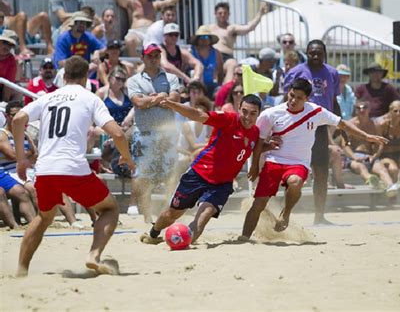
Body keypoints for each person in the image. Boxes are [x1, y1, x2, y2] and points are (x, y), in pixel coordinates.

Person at [12, 55, 135, 277]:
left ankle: (21, 269)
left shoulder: (48, 98)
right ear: (86, 78)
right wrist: (126, 157)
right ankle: (93, 256)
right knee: (110, 208)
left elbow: (18, 119)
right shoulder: (90, 98)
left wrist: (20, 159)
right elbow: (117, 133)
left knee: (43, 218)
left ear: (64, 76)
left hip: (46, 169)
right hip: (73, 168)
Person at [240, 79, 387, 239]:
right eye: (291, 95)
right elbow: (259, 142)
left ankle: (286, 213)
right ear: (288, 92)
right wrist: (254, 167)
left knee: (295, 182)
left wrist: (367, 136)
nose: (293, 100)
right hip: (273, 162)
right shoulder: (270, 114)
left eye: (299, 98)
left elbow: (342, 124)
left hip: (298, 163)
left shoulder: (316, 112)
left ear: (307, 99)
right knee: (258, 204)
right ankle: (244, 238)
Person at [140, 94, 269, 245]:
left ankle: (184, 241)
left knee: (205, 215)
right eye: (244, 111)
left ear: (258, 114)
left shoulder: (255, 133)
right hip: (198, 174)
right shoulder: (227, 119)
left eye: (253, 113)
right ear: (238, 109)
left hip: (222, 184)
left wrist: (263, 153)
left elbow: (253, 148)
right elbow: (198, 114)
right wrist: (171, 104)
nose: (248, 117)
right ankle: (154, 233)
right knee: (172, 214)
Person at [283, 39, 340, 224]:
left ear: (324, 53)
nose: (315, 56)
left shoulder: (332, 73)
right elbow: (286, 99)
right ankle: (286, 215)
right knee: (291, 173)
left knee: (321, 172)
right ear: (306, 53)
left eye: (319, 53)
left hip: (320, 128)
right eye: (312, 52)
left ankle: (319, 216)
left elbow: (334, 100)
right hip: (297, 127)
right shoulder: (295, 72)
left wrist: (340, 126)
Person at [127, 43, 180, 223]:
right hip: (145, 133)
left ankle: (165, 214)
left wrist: (150, 99)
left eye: (157, 55)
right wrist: (160, 97)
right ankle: (147, 216)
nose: (154, 59)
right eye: (150, 56)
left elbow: (174, 99)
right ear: (143, 57)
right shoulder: (134, 80)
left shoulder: (171, 77)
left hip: (166, 134)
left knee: (169, 175)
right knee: (144, 177)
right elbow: (138, 103)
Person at [209, 1, 268, 83]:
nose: (222, 15)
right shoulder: (209, 28)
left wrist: (260, 13)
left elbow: (249, 27)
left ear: (229, 14)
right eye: (220, 13)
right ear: (215, 14)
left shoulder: (232, 28)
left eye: (225, 13)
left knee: (232, 64)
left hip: (226, 57)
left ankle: (227, 90)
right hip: (212, 56)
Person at [114, 0, 180, 57]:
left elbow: (172, 1)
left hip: (151, 33)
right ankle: (136, 65)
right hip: (136, 33)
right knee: (129, 40)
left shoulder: (154, 5)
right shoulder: (132, 3)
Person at [342, 100, 381, 188]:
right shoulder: (350, 125)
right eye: (358, 108)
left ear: (369, 110)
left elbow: (379, 144)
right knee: (361, 167)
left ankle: (392, 188)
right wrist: (354, 157)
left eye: (364, 107)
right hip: (354, 157)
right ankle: (372, 180)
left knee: (381, 169)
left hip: (370, 156)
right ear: (355, 110)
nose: (361, 110)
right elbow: (344, 145)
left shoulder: (375, 125)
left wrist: (374, 156)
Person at [190, 25, 223, 98]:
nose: (204, 39)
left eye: (206, 37)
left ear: (210, 40)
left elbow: (220, 72)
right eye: (201, 37)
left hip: (210, 84)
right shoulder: (191, 51)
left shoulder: (216, 53)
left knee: (219, 93)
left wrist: (219, 84)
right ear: (197, 39)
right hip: (195, 84)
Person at [0, 29, 17, 101]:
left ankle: (8, 110)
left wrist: (4, 102)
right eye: (5, 43)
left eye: (10, 45)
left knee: (18, 91)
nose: (7, 47)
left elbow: (8, 84)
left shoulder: (11, 60)